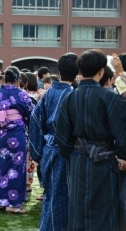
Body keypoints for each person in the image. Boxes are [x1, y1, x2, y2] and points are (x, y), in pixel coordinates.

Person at [55, 49, 126, 230]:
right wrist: (120, 155)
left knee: (78, 210)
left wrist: (73, 152)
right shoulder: (110, 98)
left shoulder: (69, 97)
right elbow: (123, 135)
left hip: (78, 162)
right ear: (101, 71)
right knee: (105, 212)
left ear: (80, 70)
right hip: (104, 162)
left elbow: (62, 137)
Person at [29, 53, 79, 231]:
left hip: (48, 151)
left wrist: (38, 153)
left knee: (51, 195)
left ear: (59, 70)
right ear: (78, 71)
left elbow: (35, 120)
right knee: (62, 197)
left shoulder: (49, 93)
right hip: (65, 152)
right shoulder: (72, 94)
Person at [0, 68, 34, 214]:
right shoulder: (21, 94)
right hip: (15, 134)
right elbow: (32, 112)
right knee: (15, 167)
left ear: (2, 78)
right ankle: (12, 204)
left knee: (0, 165)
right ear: (18, 79)